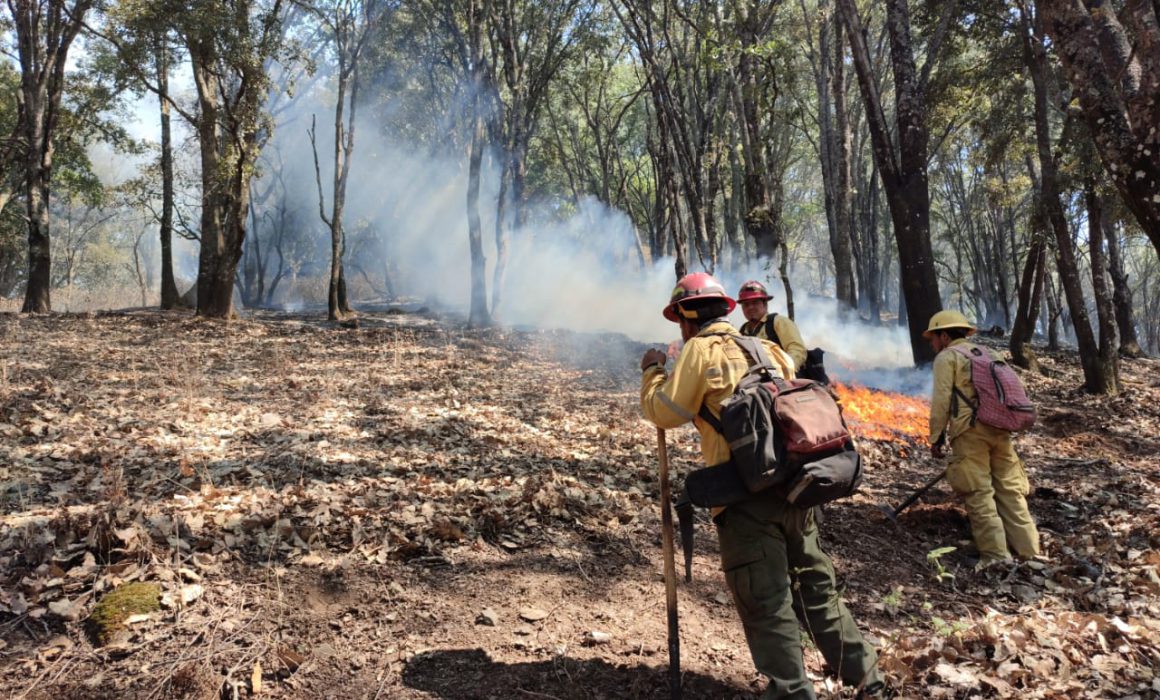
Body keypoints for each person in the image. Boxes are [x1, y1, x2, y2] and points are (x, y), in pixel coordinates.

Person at [640, 272, 883, 699]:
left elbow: (665, 411)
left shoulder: (700, 351)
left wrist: (653, 372)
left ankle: (792, 693)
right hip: (798, 490)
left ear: (684, 318)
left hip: (744, 501)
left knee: (766, 602)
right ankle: (868, 681)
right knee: (818, 591)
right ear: (725, 310)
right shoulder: (768, 348)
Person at [925, 310, 1041, 569]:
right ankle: (1029, 552)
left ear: (944, 336)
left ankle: (996, 557)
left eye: (933, 338)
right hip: (1000, 428)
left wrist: (936, 437)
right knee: (1010, 491)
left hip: (970, 432)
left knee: (978, 493)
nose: (932, 344)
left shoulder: (948, 357)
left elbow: (942, 400)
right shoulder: (989, 353)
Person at [737, 280, 808, 372]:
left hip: (782, 381)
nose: (750, 307)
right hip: (754, 380)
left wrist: (785, 372)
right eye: (746, 304)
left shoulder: (779, 322)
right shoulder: (742, 331)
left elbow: (797, 350)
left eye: (755, 302)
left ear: (765, 304)